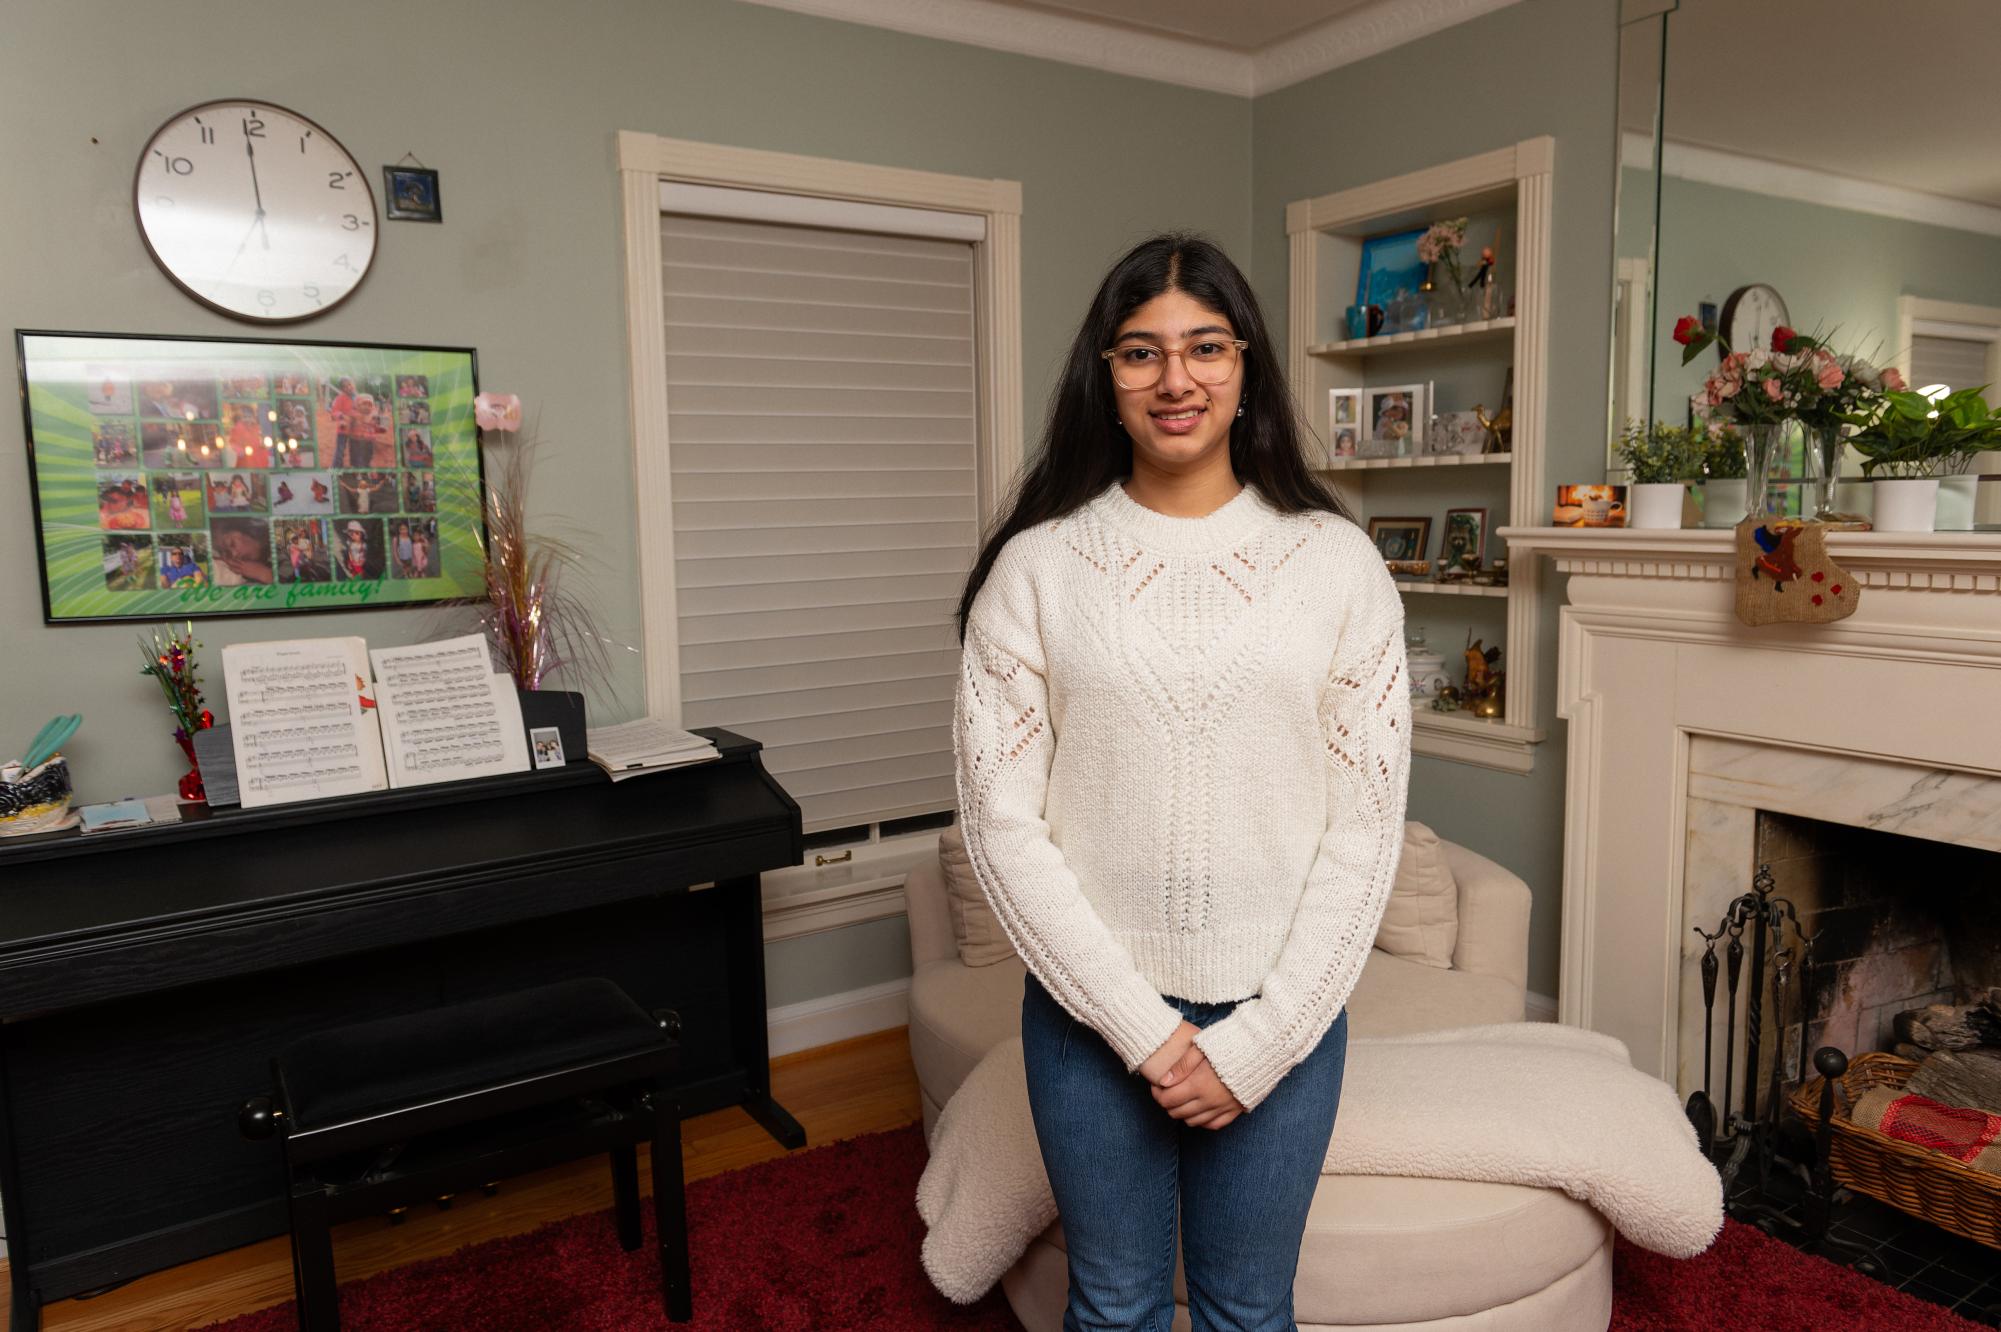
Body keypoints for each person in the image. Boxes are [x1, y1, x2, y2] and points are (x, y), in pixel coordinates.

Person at [950, 233, 1412, 1331]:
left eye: (1205, 346)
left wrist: (1258, 1041)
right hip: (1085, 1017)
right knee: (1110, 1307)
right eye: (1140, 352)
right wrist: (1146, 1033)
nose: (1176, 379)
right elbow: (1003, 828)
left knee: (1250, 1311)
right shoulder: (1038, 566)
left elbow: (1367, 830)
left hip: (1283, 1018)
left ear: (1245, 366)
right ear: (1103, 377)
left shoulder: (1338, 563)